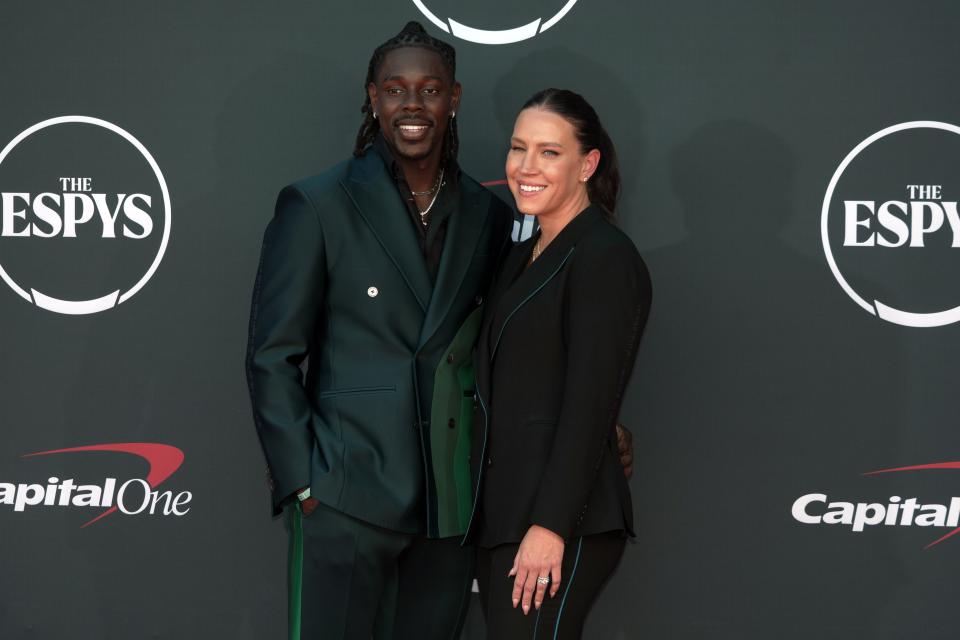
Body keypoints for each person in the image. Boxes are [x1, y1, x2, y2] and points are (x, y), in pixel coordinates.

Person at [246, 23, 635, 639]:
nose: (412, 105)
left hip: (451, 508)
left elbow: (518, 337)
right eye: (396, 90)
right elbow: (271, 355)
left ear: (453, 100)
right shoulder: (317, 203)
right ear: (372, 99)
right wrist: (301, 481)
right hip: (344, 496)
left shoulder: (494, 218)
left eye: (429, 90)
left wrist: (592, 421)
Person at [466, 89, 652, 639]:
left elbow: (589, 402)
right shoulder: (522, 256)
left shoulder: (603, 256)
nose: (526, 167)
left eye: (549, 152)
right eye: (518, 148)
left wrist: (550, 526)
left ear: (587, 164)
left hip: (559, 523)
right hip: (505, 513)